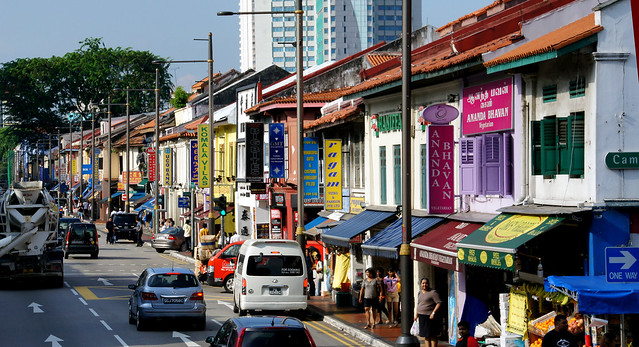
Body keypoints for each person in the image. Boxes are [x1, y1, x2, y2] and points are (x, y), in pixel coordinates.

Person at [415, 277, 443, 347]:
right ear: (421, 284)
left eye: (426, 283)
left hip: (430, 317)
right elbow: (419, 304)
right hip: (422, 316)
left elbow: (439, 303)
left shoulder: (433, 292)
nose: (425, 285)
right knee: (426, 335)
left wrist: (433, 313)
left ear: (428, 284)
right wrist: (416, 315)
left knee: (432, 335)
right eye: (423, 283)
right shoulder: (420, 292)